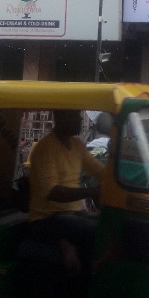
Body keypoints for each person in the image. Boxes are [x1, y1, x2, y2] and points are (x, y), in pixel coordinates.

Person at [27, 109, 105, 275]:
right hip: (46, 219)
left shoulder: (77, 145)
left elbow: (99, 171)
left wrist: (123, 179)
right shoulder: (46, 148)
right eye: (73, 115)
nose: (79, 120)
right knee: (96, 234)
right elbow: (51, 192)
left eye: (78, 115)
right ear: (59, 117)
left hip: (72, 215)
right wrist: (90, 192)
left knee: (108, 225)